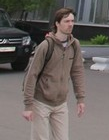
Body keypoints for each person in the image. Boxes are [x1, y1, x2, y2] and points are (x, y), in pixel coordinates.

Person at [22, 7, 87, 140]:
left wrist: (80, 98)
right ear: (57, 23)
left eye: (72, 21)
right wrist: (28, 105)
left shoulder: (74, 45)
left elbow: (77, 72)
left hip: (61, 104)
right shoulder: (46, 46)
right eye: (66, 21)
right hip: (41, 102)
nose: (70, 24)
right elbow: (32, 75)